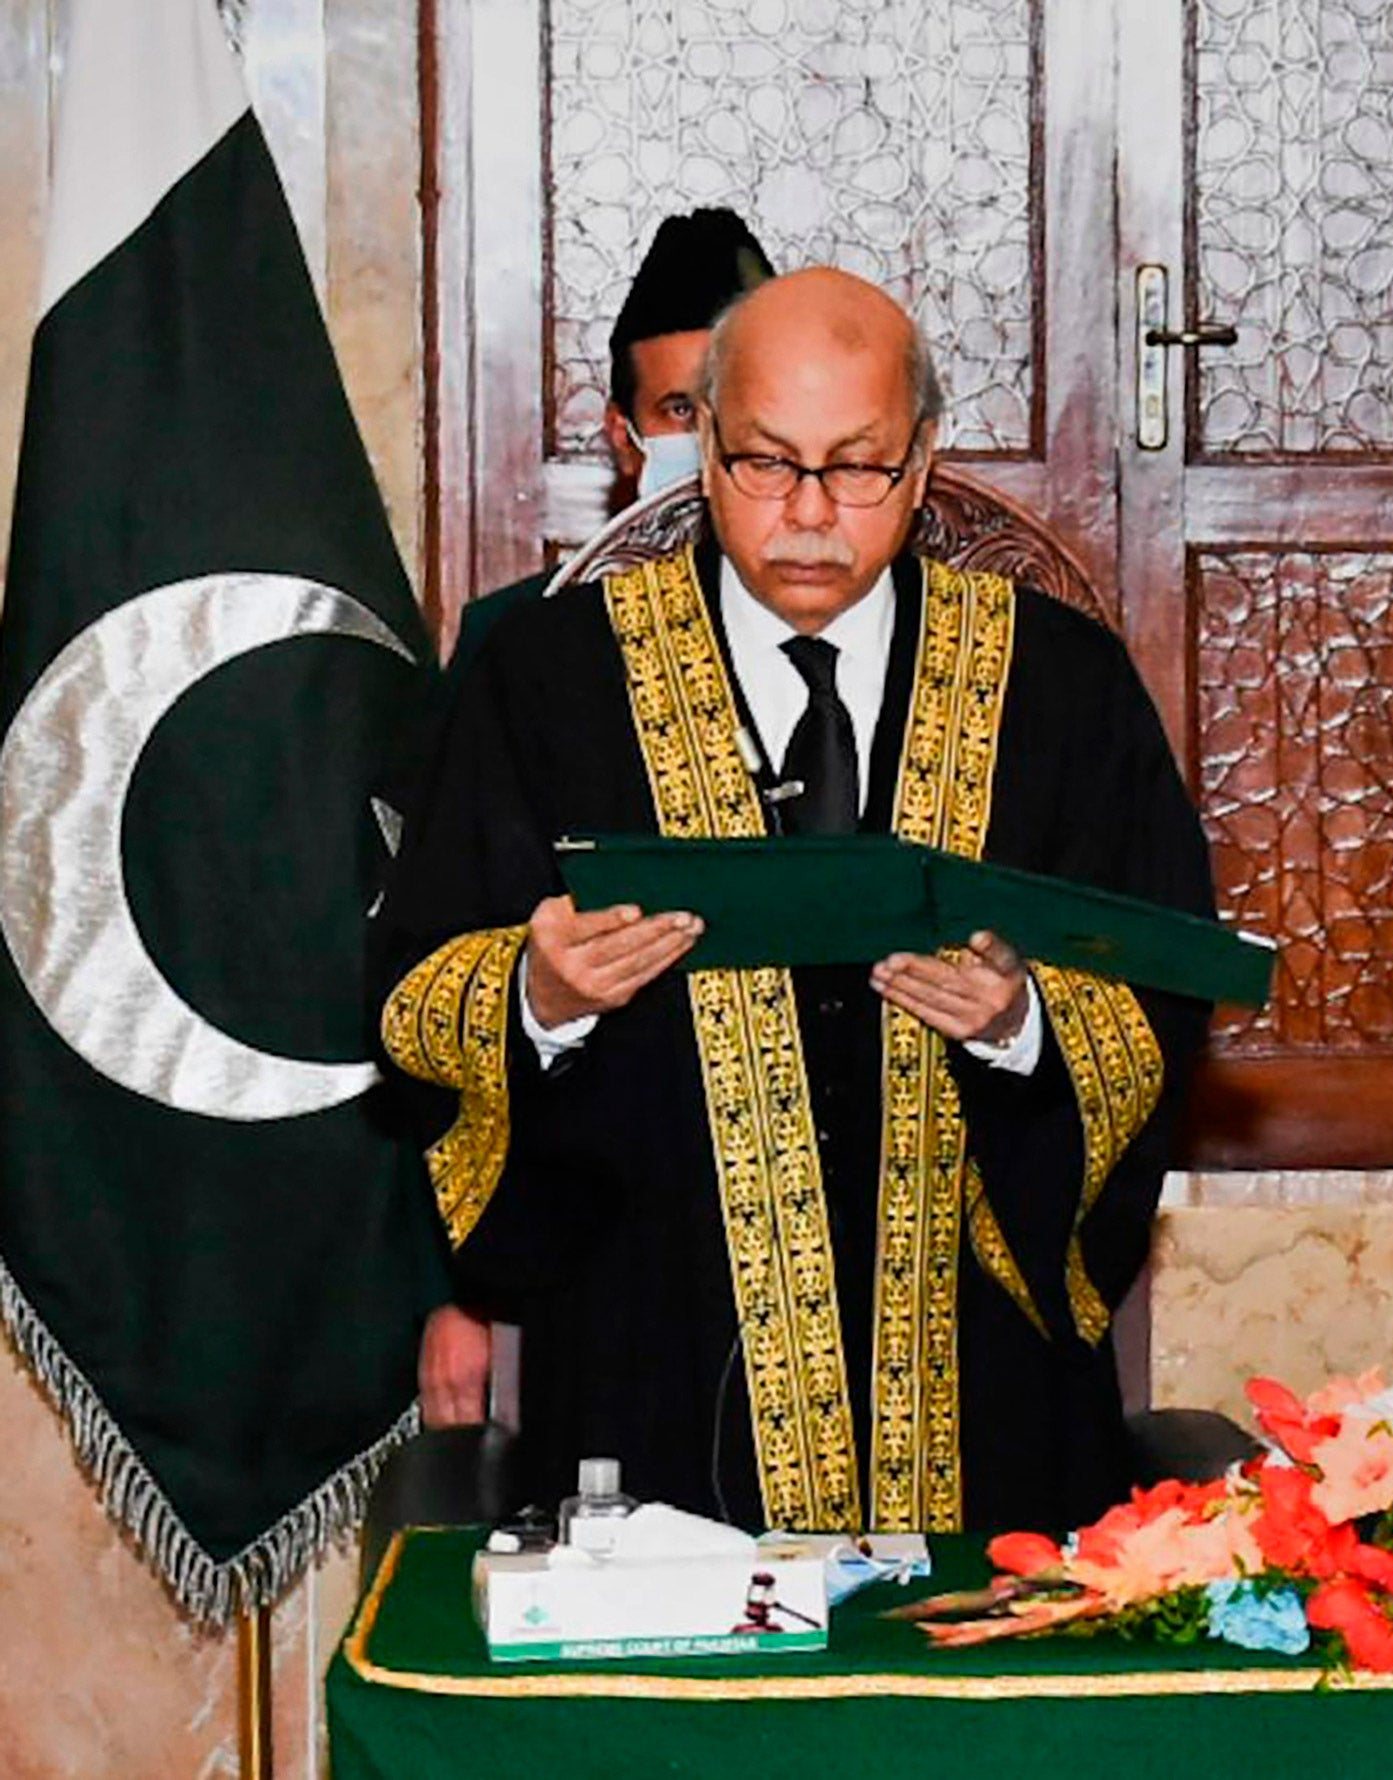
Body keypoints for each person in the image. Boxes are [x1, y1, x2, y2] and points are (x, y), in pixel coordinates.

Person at [374, 268, 1214, 1534]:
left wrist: (1022, 1025)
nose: (811, 515)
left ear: (923, 461)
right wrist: (539, 997)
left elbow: (1166, 985)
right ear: (702, 448)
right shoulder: (548, 682)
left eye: (857, 468)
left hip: (991, 1428)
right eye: (768, 463)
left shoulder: (1063, 689)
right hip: (648, 1417)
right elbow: (411, 991)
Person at [413, 207, 777, 1430]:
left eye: (739, 411)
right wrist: (458, 1291)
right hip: (610, 1235)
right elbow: (432, 959)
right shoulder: (527, 646)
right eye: (679, 412)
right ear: (626, 438)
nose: (712, 443)